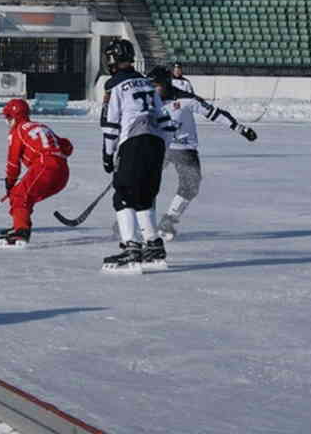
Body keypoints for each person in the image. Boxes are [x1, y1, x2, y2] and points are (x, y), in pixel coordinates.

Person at [146, 66, 257, 240]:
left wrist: (240, 128)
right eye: (150, 86)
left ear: (166, 84)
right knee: (146, 184)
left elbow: (214, 113)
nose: (152, 90)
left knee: (191, 185)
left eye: (156, 86)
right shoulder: (149, 101)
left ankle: (169, 220)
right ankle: (141, 221)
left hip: (184, 148)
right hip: (159, 147)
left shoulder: (187, 99)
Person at [100, 40, 172, 272]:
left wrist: (108, 155)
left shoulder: (114, 86)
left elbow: (110, 124)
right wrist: (163, 148)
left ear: (112, 59)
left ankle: (131, 247)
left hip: (134, 142)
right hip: (156, 143)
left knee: (123, 196)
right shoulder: (148, 83)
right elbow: (164, 119)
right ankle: (153, 244)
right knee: (144, 196)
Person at [0, 98, 73, 248]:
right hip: (62, 172)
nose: (7, 121)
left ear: (15, 117)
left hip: (45, 166)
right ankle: (19, 225)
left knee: (19, 195)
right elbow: (67, 146)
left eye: (8, 117)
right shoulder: (40, 126)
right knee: (24, 195)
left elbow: (13, 162)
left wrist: (10, 182)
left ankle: (21, 232)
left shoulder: (17, 131)